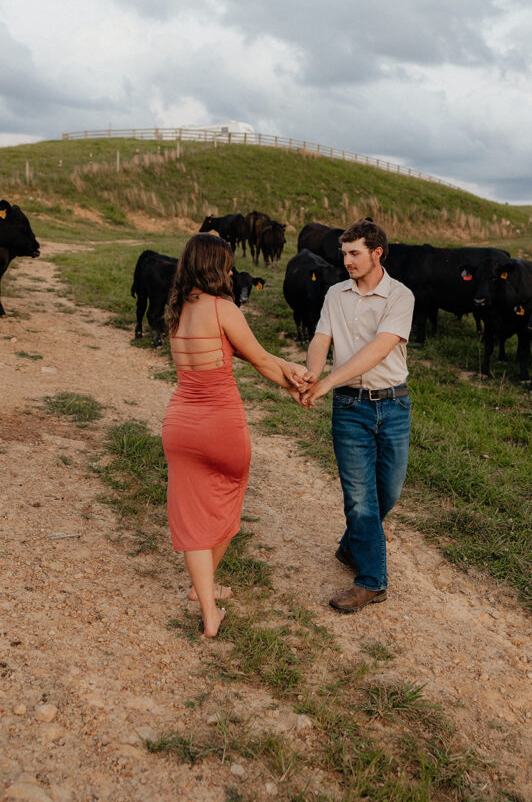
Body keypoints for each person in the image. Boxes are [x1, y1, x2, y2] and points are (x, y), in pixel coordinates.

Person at [162, 233, 308, 638]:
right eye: (226, 264)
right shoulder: (223, 308)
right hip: (221, 424)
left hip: (180, 425)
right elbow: (259, 357)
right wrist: (294, 386)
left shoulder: (176, 311)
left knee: (192, 515)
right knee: (227, 500)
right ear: (215, 267)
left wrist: (289, 370)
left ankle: (207, 605)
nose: (230, 271)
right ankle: (203, 593)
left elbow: (246, 353)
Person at [299, 220, 414, 612]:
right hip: (349, 408)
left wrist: (327, 381)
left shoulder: (401, 296)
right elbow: (321, 338)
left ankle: (353, 544)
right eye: (343, 253)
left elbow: (379, 350)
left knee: (389, 492)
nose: (346, 260)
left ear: (376, 253)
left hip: (394, 405)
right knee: (360, 499)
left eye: (354, 253)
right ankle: (372, 581)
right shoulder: (335, 294)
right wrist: (313, 372)